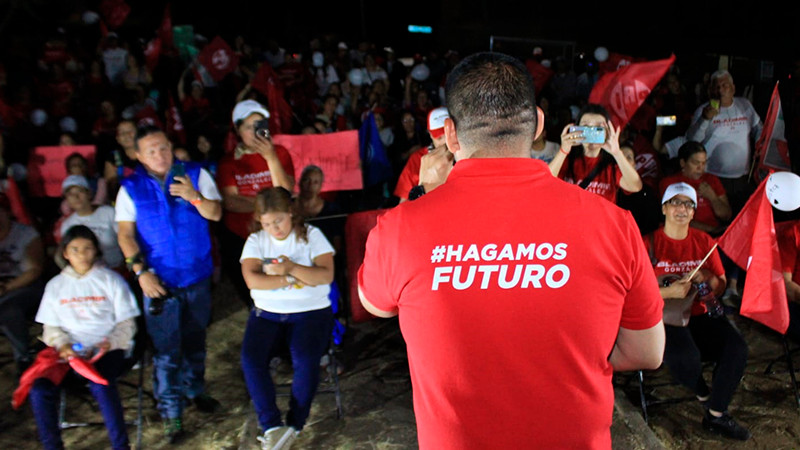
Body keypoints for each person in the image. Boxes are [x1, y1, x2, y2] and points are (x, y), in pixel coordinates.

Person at [358, 52, 664, 449]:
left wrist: (423, 197)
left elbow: (376, 305)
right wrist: (574, 357)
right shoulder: (614, 224)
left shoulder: (399, 228)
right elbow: (647, 352)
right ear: (538, 124)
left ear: (451, 134)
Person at [115, 125, 223, 443]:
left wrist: (195, 197)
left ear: (171, 146)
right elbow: (125, 234)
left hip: (197, 277)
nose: (159, 155)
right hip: (158, 282)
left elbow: (216, 213)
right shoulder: (130, 188)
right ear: (137, 155)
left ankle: (195, 390)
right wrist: (140, 272)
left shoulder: (194, 174)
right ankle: (172, 415)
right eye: (151, 150)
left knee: (195, 341)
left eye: (163, 147)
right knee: (166, 353)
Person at [647, 182, 750, 440]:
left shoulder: (704, 240)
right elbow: (631, 292)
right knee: (685, 358)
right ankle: (703, 392)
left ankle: (716, 414)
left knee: (736, 348)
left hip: (700, 312)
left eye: (688, 204)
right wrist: (669, 293)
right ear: (664, 208)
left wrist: (707, 278)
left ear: (694, 212)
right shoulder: (647, 243)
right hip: (664, 318)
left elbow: (721, 284)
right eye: (675, 202)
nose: (682, 209)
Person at [239, 187, 335, 449]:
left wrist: (291, 266)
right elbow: (252, 280)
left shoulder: (311, 236)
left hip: (310, 312)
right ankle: (271, 425)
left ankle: (295, 423)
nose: (275, 228)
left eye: (279, 220)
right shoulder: (256, 240)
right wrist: (292, 278)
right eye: (268, 223)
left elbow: (325, 275)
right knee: (250, 359)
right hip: (267, 314)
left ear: (291, 212)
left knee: (305, 359)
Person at [30, 225, 140, 450]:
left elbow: (127, 324)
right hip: (68, 352)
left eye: (88, 248)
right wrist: (63, 345)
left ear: (96, 251)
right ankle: (52, 446)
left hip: (106, 349)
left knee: (100, 383)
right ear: (65, 253)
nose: (82, 254)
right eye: (75, 249)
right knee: (39, 389)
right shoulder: (55, 286)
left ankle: (121, 445)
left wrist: (109, 343)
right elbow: (50, 328)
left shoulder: (111, 280)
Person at [217, 100, 295, 308]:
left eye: (260, 125)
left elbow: (286, 192)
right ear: (238, 130)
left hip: (277, 236)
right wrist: (270, 204)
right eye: (250, 127)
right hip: (242, 236)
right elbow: (231, 202)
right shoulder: (228, 162)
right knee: (254, 290)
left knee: (285, 284)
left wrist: (270, 158)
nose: (256, 132)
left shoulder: (280, 153)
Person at [685, 70, 761, 215]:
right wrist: (705, 119)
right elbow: (692, 141)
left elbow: (759, 128)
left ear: (733, 88)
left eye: (724, 85)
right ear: (711, 90)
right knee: (720, 217)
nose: (720, 90)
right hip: (714, 177)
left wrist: (760, 143)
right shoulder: (703, 110)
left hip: (743, 177)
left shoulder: (745, 105)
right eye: (716, 86)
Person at [549, 103, 643, 203]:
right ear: (576, 129)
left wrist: (617, 153)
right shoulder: (567, 160)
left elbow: (635, 186)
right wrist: (563, 151)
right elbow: (546, 181)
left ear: (608, 131)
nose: (592, 131)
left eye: (598, 127)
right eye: (585, 126)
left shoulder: (612, 166)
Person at [0, 193, 45, 374]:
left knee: (8, 310)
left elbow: (34, 270)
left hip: (24, 285)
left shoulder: (25, 234)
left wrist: (5, 288)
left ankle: (23, 357)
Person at [659, 141, 731, 235]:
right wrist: (712, 230)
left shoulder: (712, 180)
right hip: (686, 234)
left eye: (703, 163)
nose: (700, 168)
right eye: (696, 163)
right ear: (683, 163)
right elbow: (675, 218)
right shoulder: (670, 183)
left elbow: (726, 216)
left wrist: (712, 197)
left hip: (715, 234)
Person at [59, 175, 123, 270]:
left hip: (117, 268)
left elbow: (126, 238)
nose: (76, 197)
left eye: (80, 191)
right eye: (70, 194)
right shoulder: (67, 225)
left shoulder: (109, 213)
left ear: (89, 193)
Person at [393, 107, 451, 202]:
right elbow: (403, 203)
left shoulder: (466, 153)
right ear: (430, 134)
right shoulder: (418, 159)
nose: (446, 142)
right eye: (440, 138)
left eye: (449, 135)